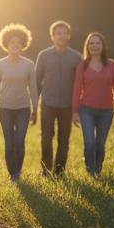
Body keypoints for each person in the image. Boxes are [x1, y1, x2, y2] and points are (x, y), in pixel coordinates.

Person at [71, 31, 114, 176]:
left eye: (97, 43)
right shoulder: (82, 66)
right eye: (91, 43)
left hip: (106, 111)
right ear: (87, 46)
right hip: (86, 110)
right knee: (89, 142)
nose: (94, 46)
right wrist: (75, 111)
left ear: (103, 46)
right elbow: (76, 90)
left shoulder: (112, 65)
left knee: (100, 143)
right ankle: (91, 172)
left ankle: (98, 170)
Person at [0, 23, 37, 183]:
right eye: (12, 42)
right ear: (6, 44)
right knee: (9, 142)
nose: (15, 45)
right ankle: (13, 174)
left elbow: (33, 88)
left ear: (23, 44)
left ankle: (18, 171)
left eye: (18, 42)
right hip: (5, 109)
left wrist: (35, 108)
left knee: (19, 141)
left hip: (23, 108)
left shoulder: (29, 64)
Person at [34, 20, 82, 176]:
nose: (62, 36)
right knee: (46, 138)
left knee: (64, 140)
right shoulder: (43, 55)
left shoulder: (76, 57)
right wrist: (34, 104)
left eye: (65, 33)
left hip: (67, 106)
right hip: (47, 104)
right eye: (58, 33)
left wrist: (78, 107)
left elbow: (80, 83)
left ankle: (59, 171)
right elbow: (36, 81)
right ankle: (46, 170)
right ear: (52, 36)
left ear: (69, 36)